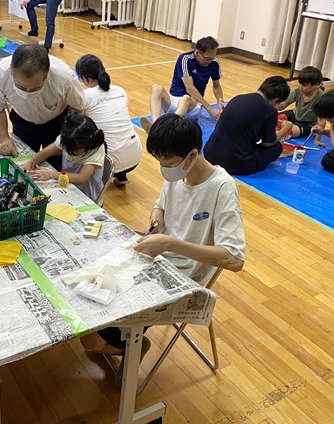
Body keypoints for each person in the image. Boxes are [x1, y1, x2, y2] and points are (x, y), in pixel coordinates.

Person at [81, 114, 245, 375]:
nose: (163, 169)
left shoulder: (221, 187)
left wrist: (170, 243)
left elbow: (234, 260)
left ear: (192, 155)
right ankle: (126, 338)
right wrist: (156, 221)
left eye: (167, 163)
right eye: (160, 162)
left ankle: (134, 345)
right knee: (87, 298)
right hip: (156, 257)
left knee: (92, 340)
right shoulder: (179, 174)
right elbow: (160, 207)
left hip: (181, 276)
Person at [0, 44, 86, 171]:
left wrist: (64, 136)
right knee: (21, 165)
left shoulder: (64, 77)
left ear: (46, 74)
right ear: (11, 71)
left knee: (57, 168)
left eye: (35, 88)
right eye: (21, 87)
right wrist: (4, 139)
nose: (27, 93)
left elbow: (77, 107)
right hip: (23, 119)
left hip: (57, 122)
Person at [204, 76, 292, 175]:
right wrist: (286, 129)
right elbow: (268, 143)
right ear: (275, 100)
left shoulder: (238, 98)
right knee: (276, 148)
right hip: (233, 162)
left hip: (209, 154)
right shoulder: (270, 110)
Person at [76, 54, 142, 186]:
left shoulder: (85, 96)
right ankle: (122, 176)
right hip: (135, 156)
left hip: (109, 163)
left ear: (84, 78)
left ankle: (92, 179)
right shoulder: (120, 90)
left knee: (81, 136)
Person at [140, 36, 225, 133]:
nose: (209, 61)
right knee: (156, 88)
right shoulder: (185, 59)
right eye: (207, 58)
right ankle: (155, 126)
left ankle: (167, 129)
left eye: (213, 58)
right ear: (197, 53)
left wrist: (220, 100)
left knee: (186, 98)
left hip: (193, 104)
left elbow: (216, 86)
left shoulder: (214, 63)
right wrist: (210, 109)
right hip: (174, 100)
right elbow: (190, 88)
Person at [22, 113, 106, 204]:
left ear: (88, 144)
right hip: (67, 186)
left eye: (74, 150)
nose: (68, 151)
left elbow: (81, 178)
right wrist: (30, 162)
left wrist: (51, 174)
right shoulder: (67, 139)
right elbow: (44, 153)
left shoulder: (96, 151)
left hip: (87, 197)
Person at [276, 66, 327, 146]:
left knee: (290, 132)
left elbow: (321, 120)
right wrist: (268, 105)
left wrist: (317, 139)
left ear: (316, 84)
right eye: (299, 83)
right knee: (273, 118)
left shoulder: (321, 98)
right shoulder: (297, 90)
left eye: (304, 85)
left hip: (308, 124)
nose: (300, 87)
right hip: (295, 114)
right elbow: (282, 105)